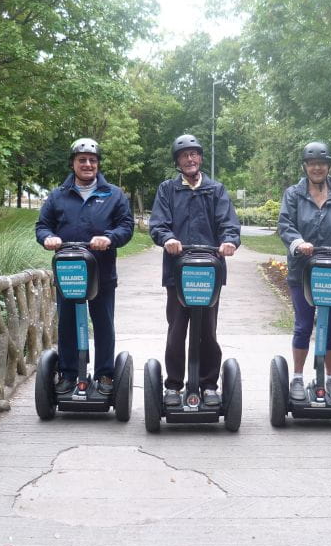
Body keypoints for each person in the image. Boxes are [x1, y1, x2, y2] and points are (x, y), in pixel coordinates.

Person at [35, 137, 134, 396]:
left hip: (102, 272)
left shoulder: (114, 194)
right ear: (73, 164)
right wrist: (48, 238)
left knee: (103, 324)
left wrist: (109, 238)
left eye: (92, 160)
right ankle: (68, 374)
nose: (88, 164)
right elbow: (42, 225)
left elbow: (126, 226)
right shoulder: (58, 195)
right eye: (82, 160)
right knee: (67, 324)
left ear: (98, 164)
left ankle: (105, 375)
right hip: (69, 272)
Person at [149, 134, 241, 407]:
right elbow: (158, 223)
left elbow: (229, 223)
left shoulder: (215, 189)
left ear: (200, 157)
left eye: (194, 154)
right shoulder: (168, 189)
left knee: (208, 331)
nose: (190, 159)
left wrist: (229, 241)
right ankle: (174, 385)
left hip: (208, 273)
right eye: (184, 155)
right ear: (177, 161)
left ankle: (209, 384)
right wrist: (168, 238)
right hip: (178, 272)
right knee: (177, 330)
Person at [278, 141, 331, 401]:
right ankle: (297, 377)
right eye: (312, 164)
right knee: (303, 325)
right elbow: (285, 224)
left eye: (322, 164)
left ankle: (330, 378)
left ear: (329, 166)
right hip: (303, 270)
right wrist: (298, 243)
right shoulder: (294, 194)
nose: (317, 168)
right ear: (305, 166)